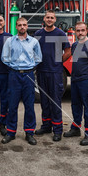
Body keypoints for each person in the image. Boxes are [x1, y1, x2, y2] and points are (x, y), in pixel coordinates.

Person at [1, 17, 42, 145]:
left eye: (24, 25)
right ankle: (11, 132)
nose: (22, 27)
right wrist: (15, 66)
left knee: (29, 105)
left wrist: (28, 66)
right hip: (14, 75)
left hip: (29, 75)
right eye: (19, 25)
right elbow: (4, 57)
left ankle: (29, 133)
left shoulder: (34, 42)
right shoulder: (10, 41)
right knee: (12, 105)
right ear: (16, 27)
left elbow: (38, 58)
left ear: (27, 26)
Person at [64, 21, 88, 146]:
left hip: (87, 81)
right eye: (78, 30)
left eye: (82, 30)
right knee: (75, 105)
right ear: (75, 32)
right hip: (75, 81)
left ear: (87, 31)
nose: (80, 33)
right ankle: (76, 128)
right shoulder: (75, 45)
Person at [34, 10, 71, 142]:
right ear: (44, 19)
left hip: (55, 72)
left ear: (55, 20)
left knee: (55, 101)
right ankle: (46, 126)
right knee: (44, 101)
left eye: (52, 18)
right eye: (47, 17)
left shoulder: (60, 33)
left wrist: (58, 61)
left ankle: (57, 130)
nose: (49, 19)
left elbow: (68, 50)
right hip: (41, 71)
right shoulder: (38, 34)